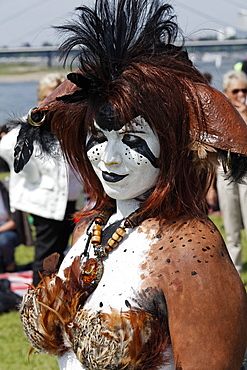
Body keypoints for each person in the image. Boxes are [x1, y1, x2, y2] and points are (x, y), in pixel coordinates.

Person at [17, 1, 247, 369]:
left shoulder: (190, 251)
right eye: (97, 136)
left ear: (172, 145)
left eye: (133, 139)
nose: (109, 158)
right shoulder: (90, 231)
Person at [0, 73, 83, 285]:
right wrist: (31, 173)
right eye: (50, 96)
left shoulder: (70, 124)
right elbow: (7, 145)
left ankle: (58, 298)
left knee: (71, 252)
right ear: (41, 100)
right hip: (45, 202)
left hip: (73, 200)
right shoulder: (32, 124)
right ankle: (38, 303)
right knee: (46, 255)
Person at [216, 70, 247, 274]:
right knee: (230, 224)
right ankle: (235, 269)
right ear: (227, 92)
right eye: (235, 91)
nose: (240, 94)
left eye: (244, 90)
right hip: (225, 172)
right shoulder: (220, 113)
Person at [0, 180, 20, 272]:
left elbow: (14, 222)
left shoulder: (7, 189)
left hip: (7, 228)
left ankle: (10, 267)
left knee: (4, 240)